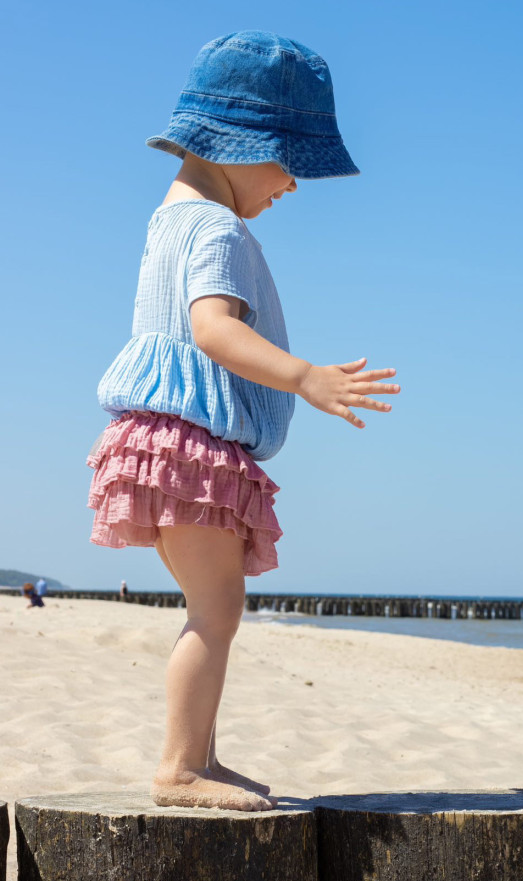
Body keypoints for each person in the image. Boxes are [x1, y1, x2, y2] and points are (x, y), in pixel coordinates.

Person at [86, 31, 400, 813]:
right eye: (289, 161)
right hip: (189, 452)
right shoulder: (220, 231)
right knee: (217, 611)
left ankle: (202, 756)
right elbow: (213, 330)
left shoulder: (170, 220)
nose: (292, 184)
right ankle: (180, 767)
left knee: (213, 608)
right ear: (242, 143)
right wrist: (306, 378)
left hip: (159, 445)